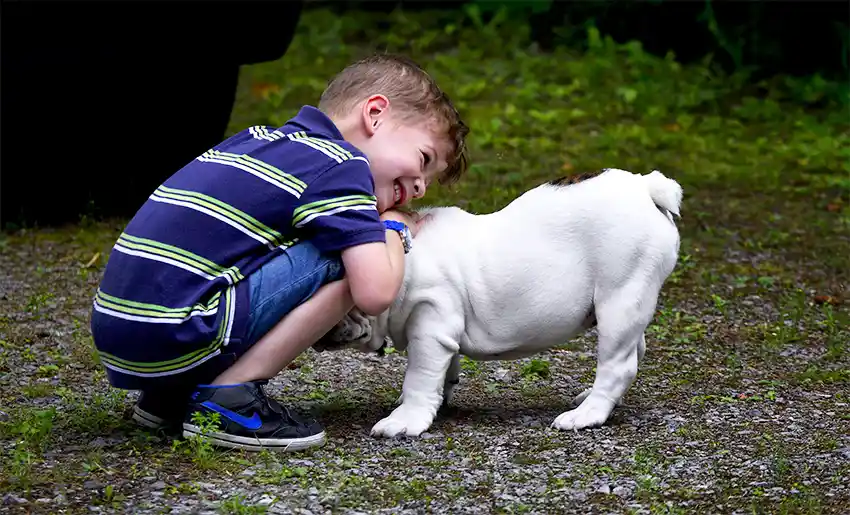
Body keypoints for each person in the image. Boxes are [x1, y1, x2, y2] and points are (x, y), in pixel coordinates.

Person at [89, 54, 470, 451]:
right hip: (179, 330)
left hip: (123, 334)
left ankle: (170, 398)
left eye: (428, 180)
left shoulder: (256, 141)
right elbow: (374, 293)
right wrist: (392, 227)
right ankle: (230, 399)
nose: (422, 188)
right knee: (347, 253)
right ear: (374, 114)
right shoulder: (341, 167)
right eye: (424, 160)